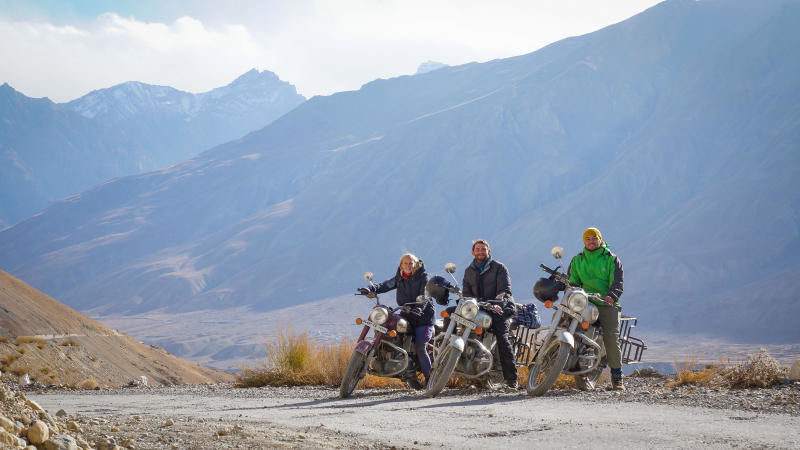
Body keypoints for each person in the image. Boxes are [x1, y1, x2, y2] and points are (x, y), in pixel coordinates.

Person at [567, 227, 626, 390]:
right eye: (588, 239)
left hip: (606, 304)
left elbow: (618, 282)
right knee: (568, 324)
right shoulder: (577, 260)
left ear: (600, 239)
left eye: (594, 238)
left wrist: (611, 297)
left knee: (611, 338)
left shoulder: (611, 259)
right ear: (583, 241)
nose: (591, 241)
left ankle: (617, 376)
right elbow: (572, 283)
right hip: (586, 303)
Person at [360, 253, 433, 381]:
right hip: (406, 315)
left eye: (411, 263)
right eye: (405, 263)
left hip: (423, 317)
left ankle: (430, 379)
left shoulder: (423, 277)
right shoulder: (399, 278)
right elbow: (385, 285)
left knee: (421, 347)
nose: (408, 266)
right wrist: (369, 288)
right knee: (389, 328)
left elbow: (425, 296)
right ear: (401, 265)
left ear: (415, 264)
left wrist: (419, 307)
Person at [461, 239, 518, 388]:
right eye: (478, 249)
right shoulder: (469, 270)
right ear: (473, 252)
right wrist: (469, 301)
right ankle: (465, 372)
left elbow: (504, 290)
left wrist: (498, 303)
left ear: (488, 251)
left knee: (502, 339)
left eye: (483, 249)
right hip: (479, 307)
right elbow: (466, 292)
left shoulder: (499, 268)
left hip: (500, 308)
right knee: (453, 319)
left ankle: (511, 379)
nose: (480, 252)